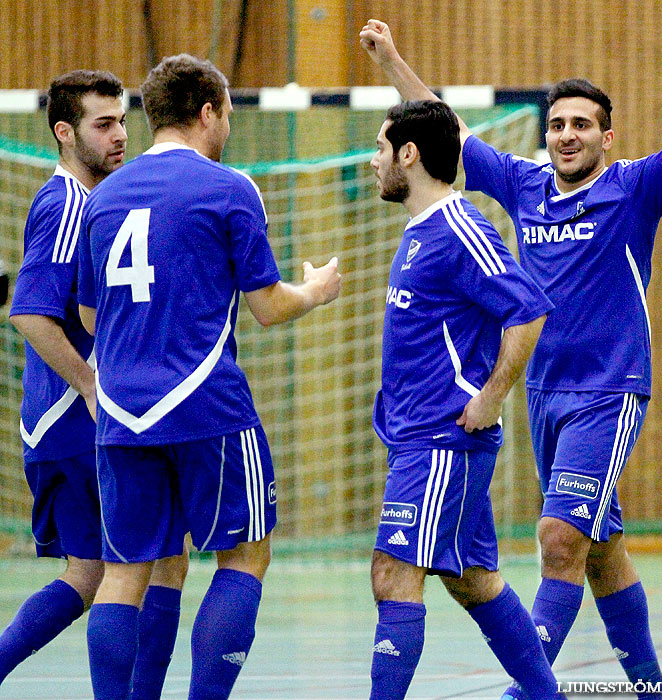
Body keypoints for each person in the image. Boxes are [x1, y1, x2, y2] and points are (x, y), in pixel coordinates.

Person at [360, 17, 662, 700]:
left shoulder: (634, 188)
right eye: (556, 125)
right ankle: (652, 693)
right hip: (542, 392)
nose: (566, 135)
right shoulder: (523, 184)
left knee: (557, 538)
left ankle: (530, 692)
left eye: (581, 125)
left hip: (609, 391)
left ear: (604, 138)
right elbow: (445, 133)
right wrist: (392, 61)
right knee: (601, 553)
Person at [76, 54, 341, 700]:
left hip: (118, 409)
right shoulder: (229, 188)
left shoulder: (104, 196)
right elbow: (267, 305)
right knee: (244, 556)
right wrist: (314, 290)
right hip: (205, 406)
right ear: (208, 112)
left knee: (124, 572)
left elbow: (87, 313)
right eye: (225, 113)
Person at [367, 99, 561, 700]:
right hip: (421, 440)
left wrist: (491, 397)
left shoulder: (459, 228)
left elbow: (527, 310)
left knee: (392, 575)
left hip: (442, 442)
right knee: (474, 580)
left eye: (380, 148)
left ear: (409, 154)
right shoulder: (423, 230)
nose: (373, 161)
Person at [3, 70, 188, 698]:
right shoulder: (68, 205)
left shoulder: (100, 202)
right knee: (150, 563)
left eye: (123, 120)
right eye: (103, 124)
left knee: (98, 574)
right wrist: (88, 386)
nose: (120, 135)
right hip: (77, 423)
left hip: (64, 425)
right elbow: (29, 312)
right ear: (65, 132)